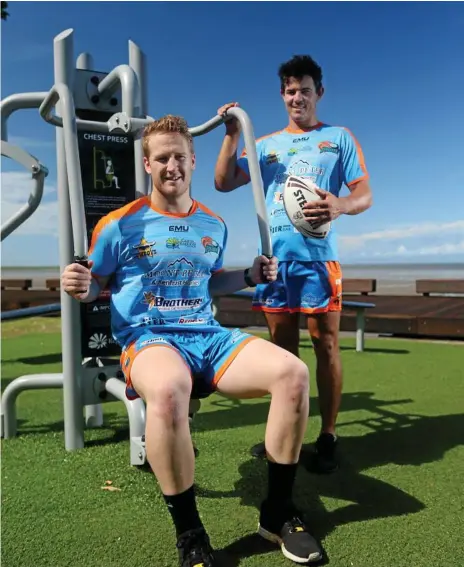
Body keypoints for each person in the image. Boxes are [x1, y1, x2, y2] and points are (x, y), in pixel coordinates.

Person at [61, 115, 323, 566]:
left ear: (192, 161)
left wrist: (246, 276)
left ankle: (277, 514)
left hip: (207, 336)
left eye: (179, 156)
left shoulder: (213, 223)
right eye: (161, 158)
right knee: (167, 390)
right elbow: (94, 284)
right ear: (147, 163)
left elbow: (209, 281)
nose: (171, 166)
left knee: (293, 374)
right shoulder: (118, 224)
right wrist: (78, 284)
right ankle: (191, 533)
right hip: (149, 339)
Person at [214, 55, 373, 473]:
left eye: (304, 89)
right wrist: (231, 135)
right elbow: (223, 181)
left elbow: (364, 194)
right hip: (276, 264)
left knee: (326, 345)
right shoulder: (263, 145)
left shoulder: (338, 138)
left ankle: (329, 435)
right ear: (281, 95)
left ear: (318, 92)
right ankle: (287, 438)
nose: (296, 97)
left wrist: (339, 205)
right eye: (289, 91)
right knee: (282, 356)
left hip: (320, 262)